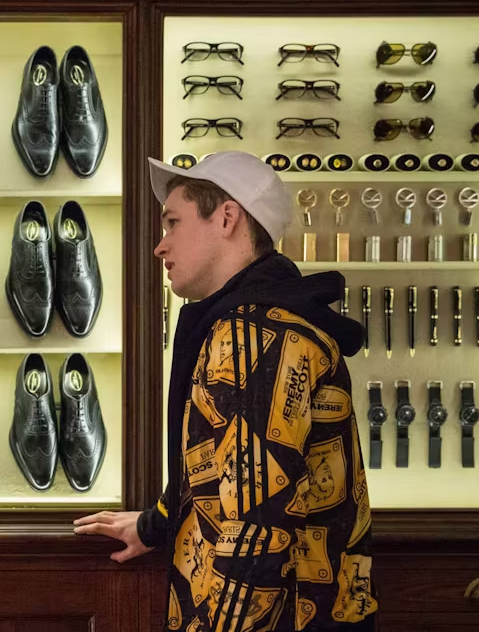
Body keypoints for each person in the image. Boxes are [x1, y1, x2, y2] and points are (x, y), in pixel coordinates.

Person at [75, 151, 377, 631]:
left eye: (173, 222)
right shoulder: (264, 323)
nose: (160, 246)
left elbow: (255, 531)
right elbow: (222, 470)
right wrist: (154, 525)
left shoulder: (253, 337)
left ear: (227, 218)